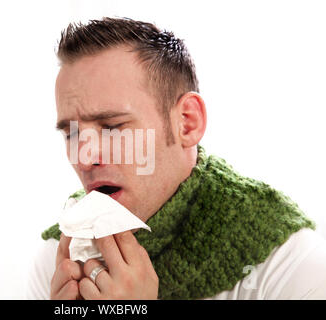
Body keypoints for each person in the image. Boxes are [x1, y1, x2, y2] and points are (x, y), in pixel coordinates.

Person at [25, 17, 326, 300]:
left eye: (113, 127)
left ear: (187, 122)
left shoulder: (289, 261)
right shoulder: (57, 262)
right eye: (72, 133)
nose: (84, 157)